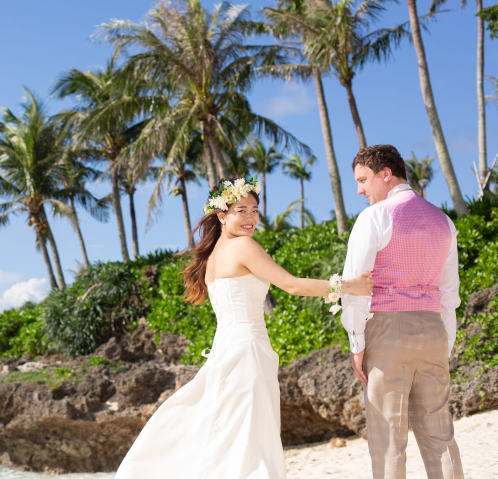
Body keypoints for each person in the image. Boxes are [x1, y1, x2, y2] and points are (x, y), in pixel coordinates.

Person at [115, 176, 373, 479]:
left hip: (227, 349)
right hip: (247, 349)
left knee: (228, 433)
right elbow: (291, 285)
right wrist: (350, 286)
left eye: (254, 210)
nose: (251, 218)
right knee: (249, 437)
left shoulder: (212, 256)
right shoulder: (243, 247)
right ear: (222, 215)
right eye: (241, 210)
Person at [341, 145, 464, 479]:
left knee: (388, 439)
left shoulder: (375, 217)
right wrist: (445, 343)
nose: (359, 189)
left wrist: (356, 341)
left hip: (387, 331)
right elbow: (449, 293)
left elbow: (354, 286)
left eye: (363, 179)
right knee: (440, 434)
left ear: (386, 174)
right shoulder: (444, 221)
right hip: (433, 329)